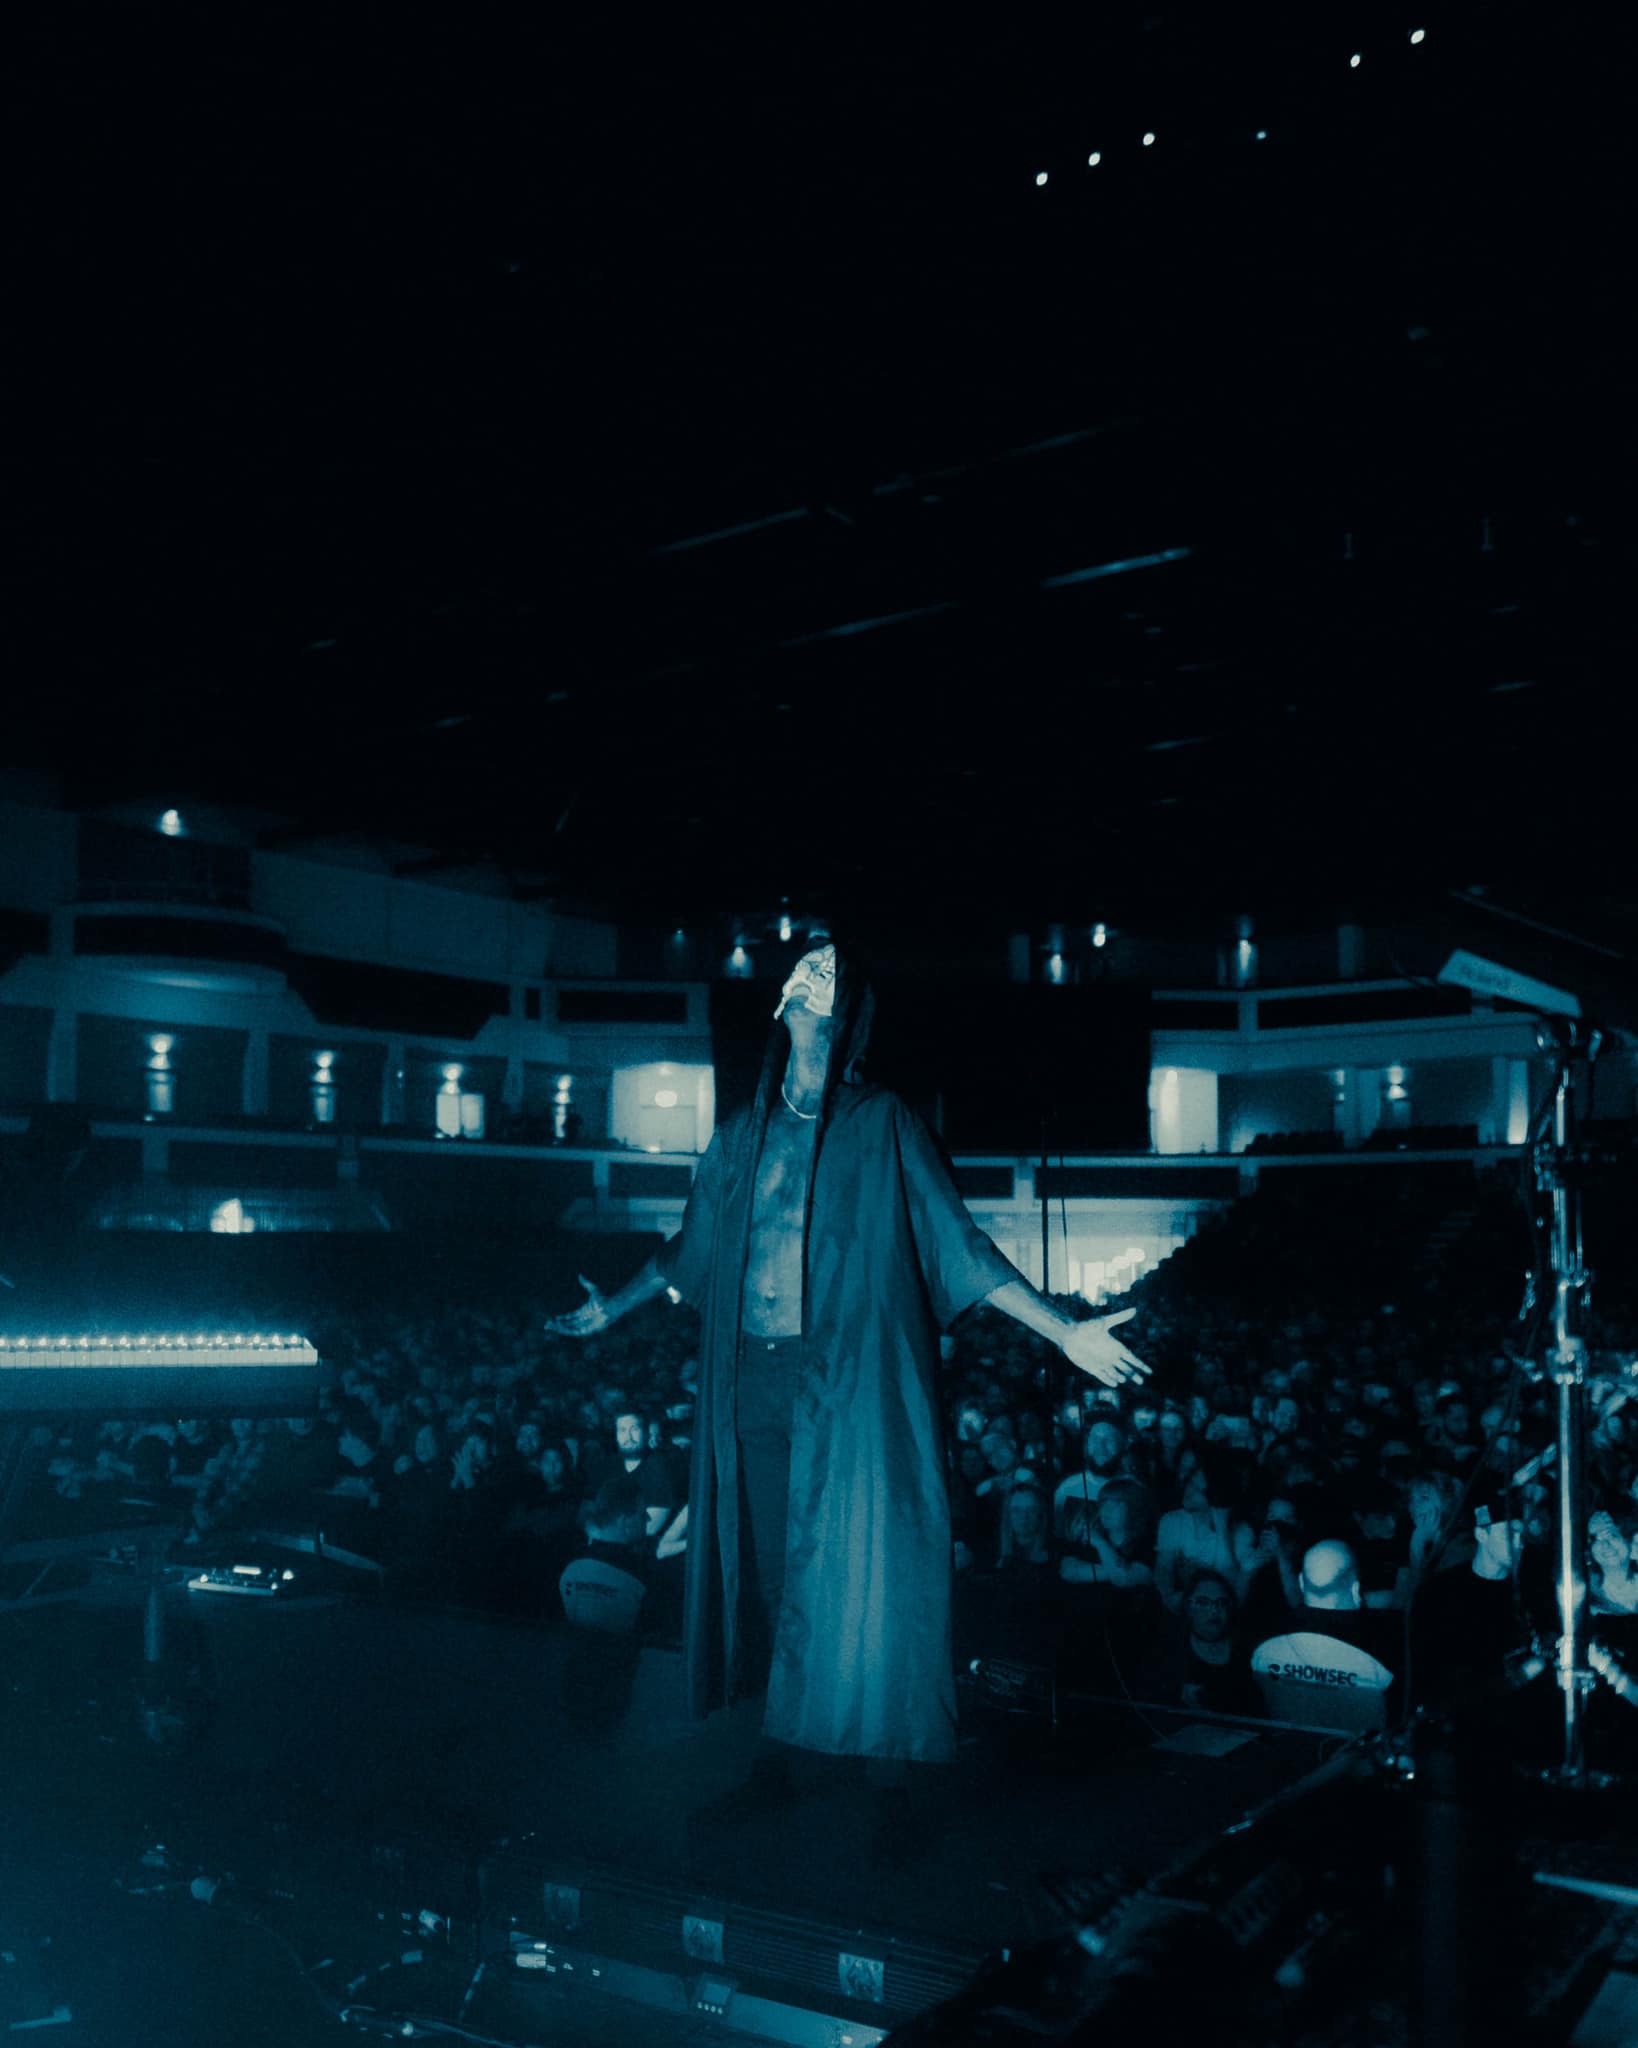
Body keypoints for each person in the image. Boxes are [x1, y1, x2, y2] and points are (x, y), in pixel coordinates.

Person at [545, 939, 1150, 1846]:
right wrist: (611, 1312)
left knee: (873, 1575)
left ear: (851, 1017)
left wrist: (1062, 1330)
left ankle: (889, 1779)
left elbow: (959, 1242)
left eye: (832, 979)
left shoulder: (881, 1123)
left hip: (847, 1381)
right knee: (774, 1579)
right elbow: (687, 1251)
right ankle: (777, 1762)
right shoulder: (739, 1137)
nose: (815, 983)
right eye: (807, 972)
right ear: (783, 1004)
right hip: (750, 1380)